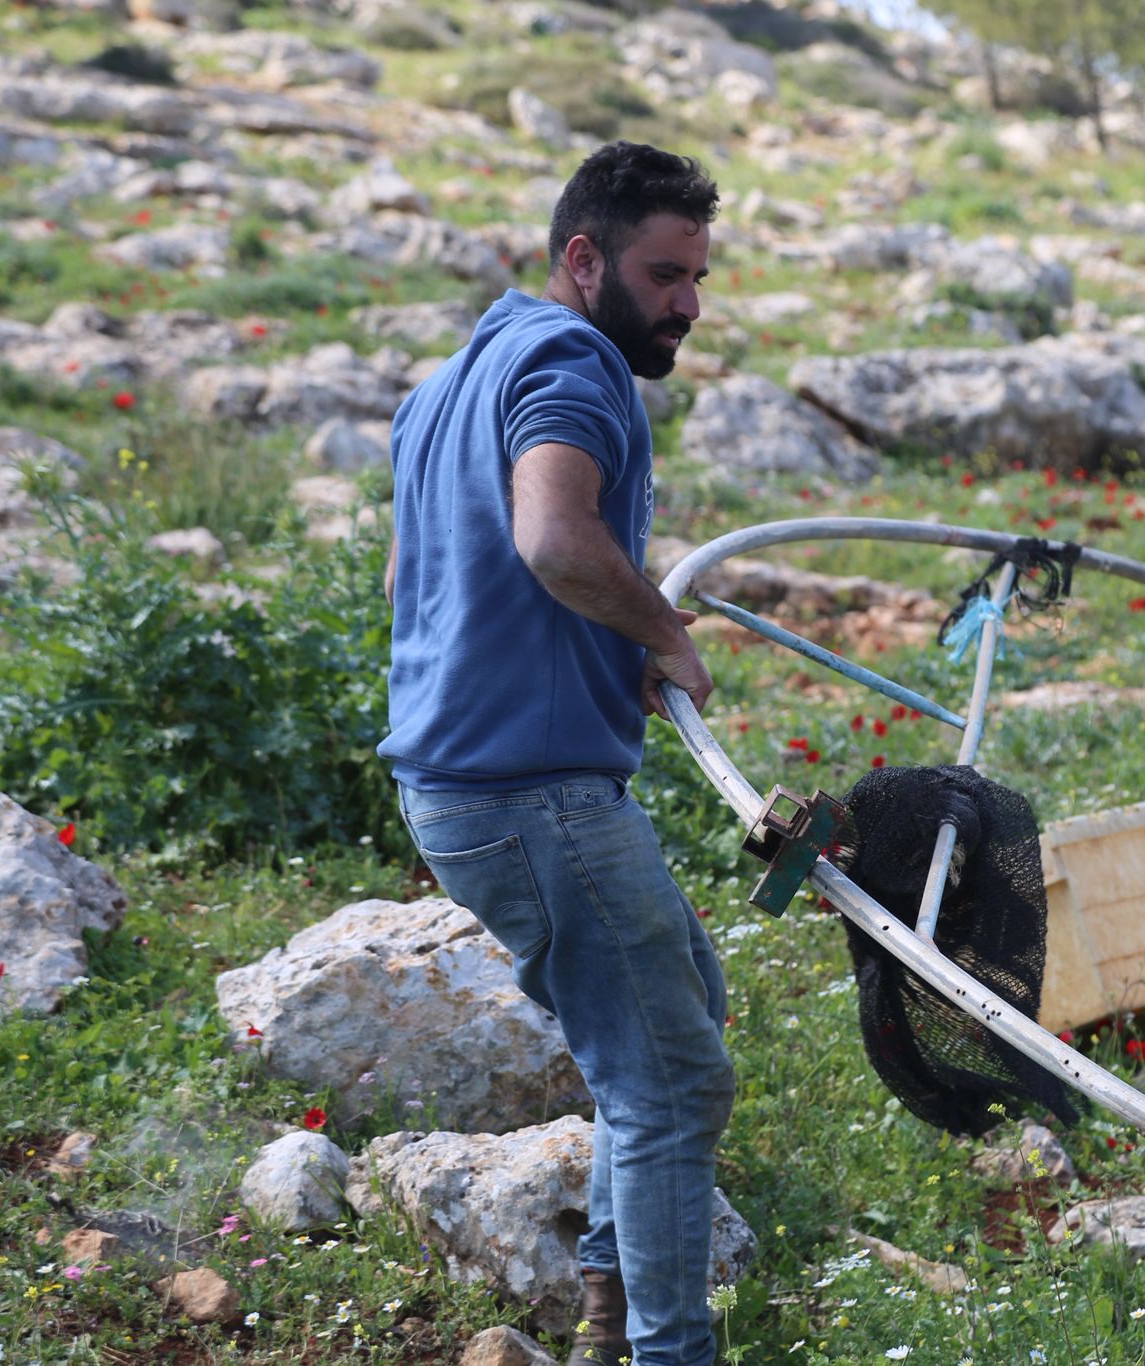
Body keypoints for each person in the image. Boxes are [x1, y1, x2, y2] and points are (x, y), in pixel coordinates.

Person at [379, 141, 729, 1366]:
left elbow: (419, 579)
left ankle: (606, 1312)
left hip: (459, 788)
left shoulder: (453, 379)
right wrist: (661, 629)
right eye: (664, 272)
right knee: (672, 1086)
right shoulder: (577, 363)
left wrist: (596, 649)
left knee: (689, 1004)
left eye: (697, 273)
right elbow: (552, 541)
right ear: (583, 260)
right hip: (530, 796)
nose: (688, 302)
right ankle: (661, 1352)